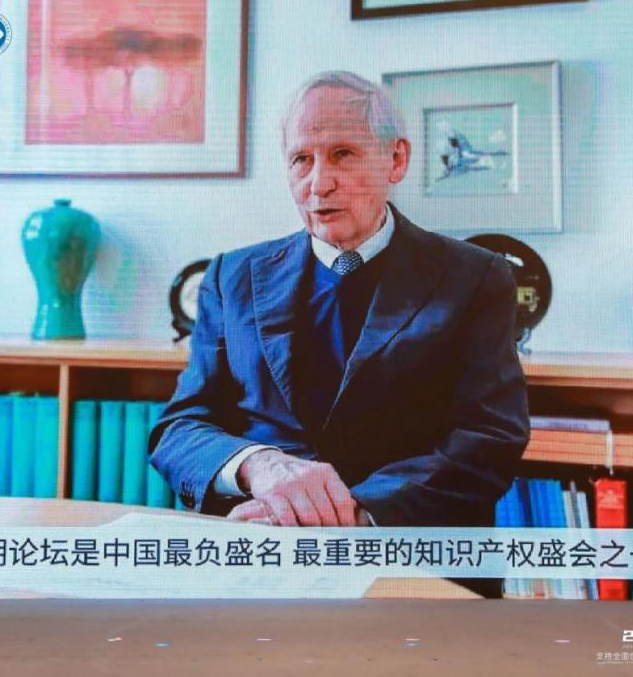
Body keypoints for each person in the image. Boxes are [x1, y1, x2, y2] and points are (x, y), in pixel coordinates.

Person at [149, 71, 529, 544]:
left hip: (405, 548)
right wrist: (259, 466)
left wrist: (353, 516)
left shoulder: (476, 277)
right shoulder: (232, 277)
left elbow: (489, 436)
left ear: (396, 159)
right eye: (301, 160)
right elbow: (180, 428)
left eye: (342, 154)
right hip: (262, 542)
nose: (318, 183)